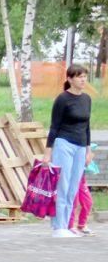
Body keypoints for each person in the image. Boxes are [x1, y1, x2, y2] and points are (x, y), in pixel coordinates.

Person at [43, 64, 93, 238]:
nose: (83, 80)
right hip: (64, 143)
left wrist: (88, 151)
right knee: (62, 186)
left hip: (80, 147)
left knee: (73, 188)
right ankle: (59, 227)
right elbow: (54, 126)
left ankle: (67, 225)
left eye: (85, 77)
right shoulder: (63, 99)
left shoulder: (87, 99)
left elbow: (87, 127)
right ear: (70, 79)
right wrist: (48, 152)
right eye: (79, 77)